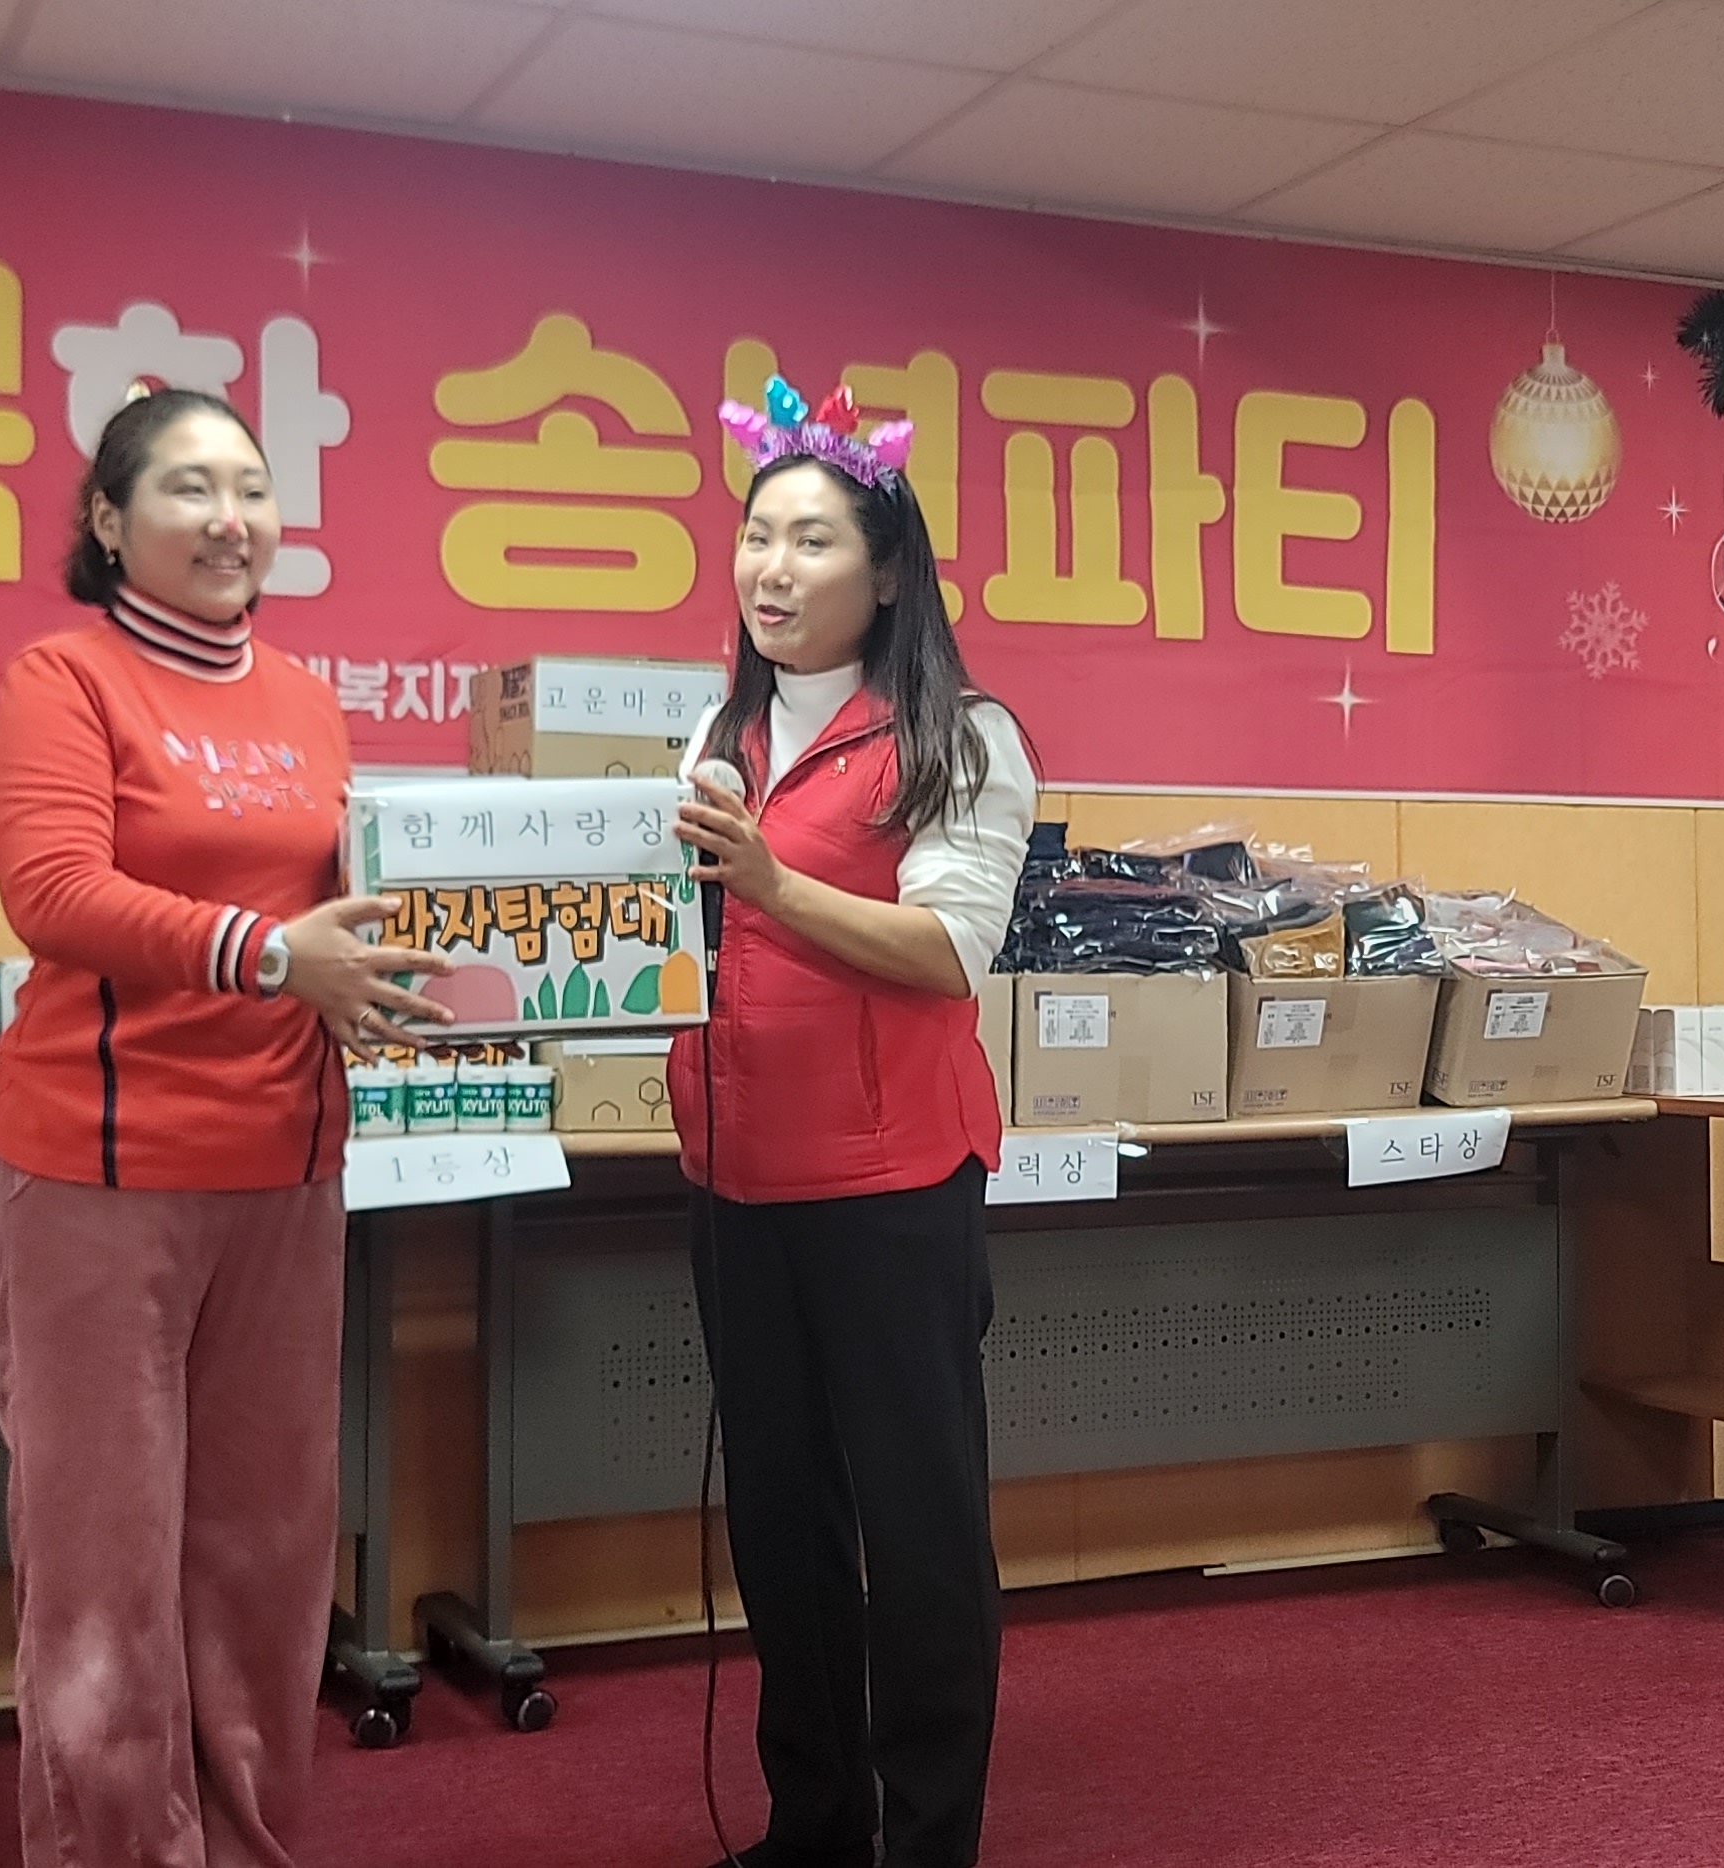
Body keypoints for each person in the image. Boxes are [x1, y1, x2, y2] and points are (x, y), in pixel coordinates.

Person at [0, 386, 449, 1868]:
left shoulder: (306, 699)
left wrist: (379, 978)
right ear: (109, 523)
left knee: (261, 1567)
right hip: (102, 1175)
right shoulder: (63, 680)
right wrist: (276, 957)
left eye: (252, 487)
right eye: (189, 487)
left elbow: (338, 916)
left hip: (287, 1170)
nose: (231, 518)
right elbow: (56, 894)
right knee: (105, 1581)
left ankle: (246, 1846)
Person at [670, 380, 1038, 1868]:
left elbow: (948, 952)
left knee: (920, 1525)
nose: (771, 569)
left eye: (811, 541)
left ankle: (929, 1839)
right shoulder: (722, 732)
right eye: (757, 536)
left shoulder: (962, 736)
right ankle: (813, 1824)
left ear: (888, 573)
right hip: (739, 1181)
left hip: (894, 1190)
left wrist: (769, 883)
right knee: (781, 1522)